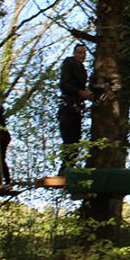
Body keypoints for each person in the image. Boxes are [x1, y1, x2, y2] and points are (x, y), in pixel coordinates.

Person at [58, 43, 95, 174]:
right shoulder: (68, 64)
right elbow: (64, 84)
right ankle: (64, 170)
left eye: (84, 53)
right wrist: (80, 93)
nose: (82, 55)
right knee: (68, 140)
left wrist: (87, 94)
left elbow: (80, 88)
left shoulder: (83, 71)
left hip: (76, 109)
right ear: (74, 53)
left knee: (76, 141)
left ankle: (69, 168)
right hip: (67, 106)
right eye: (79, 52)